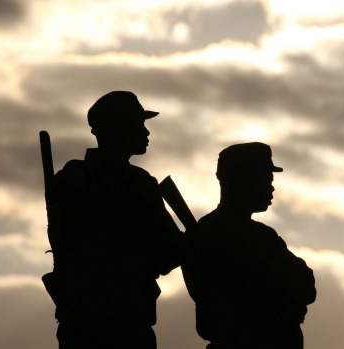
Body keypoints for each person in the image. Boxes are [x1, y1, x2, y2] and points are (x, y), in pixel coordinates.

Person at [45, 91, 184, 349]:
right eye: (138, 125)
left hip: (134, 321)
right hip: (87, 322)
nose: (146, 133)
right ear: (115, 129)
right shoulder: (76, 179)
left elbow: (169, 251)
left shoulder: (143, 183)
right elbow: (79, 242)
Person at [182, 142, 317, 349]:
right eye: (265, 179)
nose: (271, 187)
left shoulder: (216, 231)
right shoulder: (246, 235)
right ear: (244, 179)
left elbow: (306, 287)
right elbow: (303, 285)